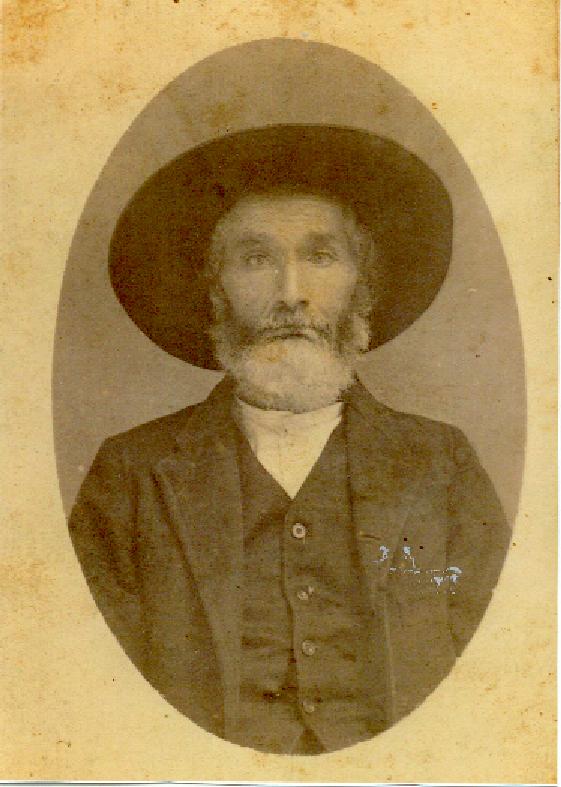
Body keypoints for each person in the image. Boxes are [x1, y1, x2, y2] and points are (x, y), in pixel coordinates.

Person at [68, 124, 510, 755]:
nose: (290, 295)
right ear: (216, 291)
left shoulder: (441, 464)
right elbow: (94, 696)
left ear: (362, 286)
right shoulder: (132, 473)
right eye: (255, 260)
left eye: (320, 257)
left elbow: (496, 682)